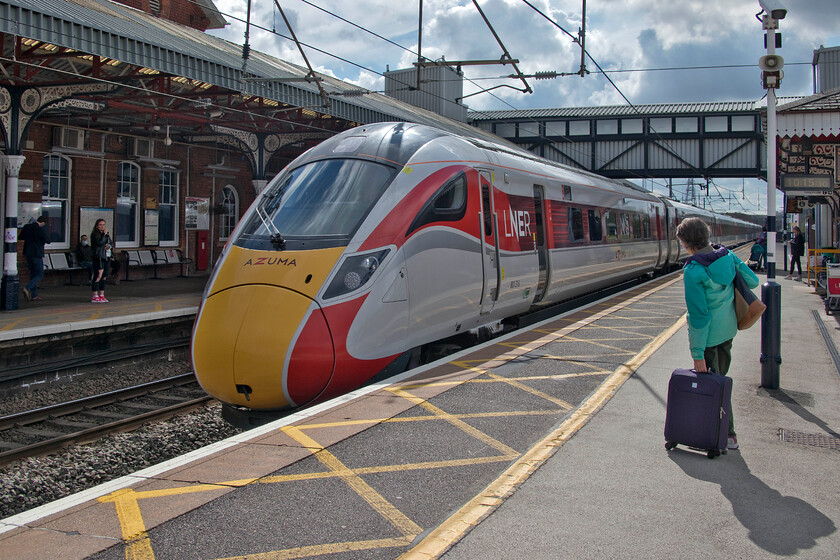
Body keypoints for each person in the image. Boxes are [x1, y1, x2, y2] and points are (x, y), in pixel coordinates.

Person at [676, 217, 760, 451]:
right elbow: (752, 281)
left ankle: (726, 435)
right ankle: (716, 431)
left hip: (709, 338)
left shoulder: (693, 271)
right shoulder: (728, 256)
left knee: (714, 387)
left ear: (685, 242)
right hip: (728, 332)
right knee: (720, 379)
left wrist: (697, 353)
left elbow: (699, 316)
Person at [19, 215, 50, 301]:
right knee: (39, 274)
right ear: (43, 222)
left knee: (33, 274)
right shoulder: (40, 229)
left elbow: (20, 237)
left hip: (28, 253)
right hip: (37, 254)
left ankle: (34, 295)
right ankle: (27, 288)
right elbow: (48, 240)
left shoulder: (27, 227)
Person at [90, 218, 113, 303]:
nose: (102, 226)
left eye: (103, 225)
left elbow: (110, 243)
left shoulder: (106, 235)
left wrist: (109, 246)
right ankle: (94, 295)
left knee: (104, 276)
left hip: (106, 256)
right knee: (98, 275)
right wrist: (105, 235)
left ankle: (102, 294)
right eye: (100, 225)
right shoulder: (94, 235)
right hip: (98, 257)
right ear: (97, 226)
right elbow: (99, 243)